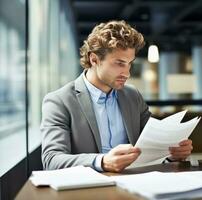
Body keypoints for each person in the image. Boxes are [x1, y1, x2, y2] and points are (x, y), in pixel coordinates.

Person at [41, 20, 193, 172]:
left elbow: (153, 145)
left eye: (129, 64)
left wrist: (172, 153)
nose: (127, 73)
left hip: (135, 182)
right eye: (119, 63)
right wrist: (102, 162)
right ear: (94, 59)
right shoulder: (59, 101)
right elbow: (52, 160)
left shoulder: (133, 96)